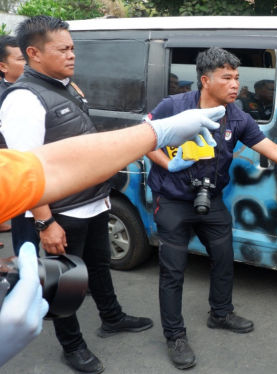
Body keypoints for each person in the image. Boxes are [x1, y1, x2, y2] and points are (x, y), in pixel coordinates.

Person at [145, 47, 277, 370]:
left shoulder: (237, 116)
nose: (235, 84)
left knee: (223, 260)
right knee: (173, 271)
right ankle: (175, 336)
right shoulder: (174, 106)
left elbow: (273, 149)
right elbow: (145, 137)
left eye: (236, 77)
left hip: (212, 199)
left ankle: (220, 313)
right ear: (205, 81)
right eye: (227, 78)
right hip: (173, 200)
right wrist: (169, 164)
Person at [0, 16, 156, 374]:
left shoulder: (64, 85)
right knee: (65, 281)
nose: (72, 55)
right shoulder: (24, 99)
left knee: (99, 268)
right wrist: (46, 223)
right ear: (34, 53)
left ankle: (112, 317)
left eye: (73, 47)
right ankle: (73, 346)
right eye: (63, 49)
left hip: (92, 202)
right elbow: (28, 172)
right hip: (61, 212)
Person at [0, 35, 38, 255]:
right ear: (3, 66)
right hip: (15, 174)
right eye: (21, 59)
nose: (28, 63)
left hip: (43, 171)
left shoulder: (39, 87)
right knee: (26, 241)